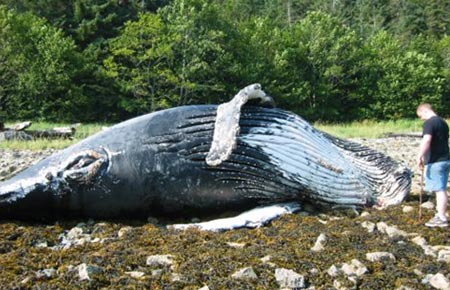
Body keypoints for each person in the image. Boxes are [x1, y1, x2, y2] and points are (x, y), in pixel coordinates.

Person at [416, 103, 450, 227]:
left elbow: (427, 141)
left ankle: (441, 217)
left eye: (420, 116)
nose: (421, 119)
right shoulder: (443, 123)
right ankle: (441, 214)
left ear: (424, 111)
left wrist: (420, 156)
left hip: (436, 161)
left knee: (439, 189)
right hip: (446, 159)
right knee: (442, 188)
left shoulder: (429, 123)